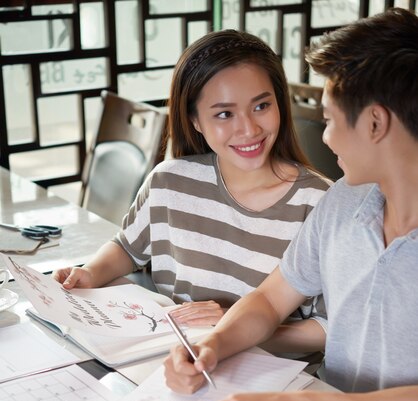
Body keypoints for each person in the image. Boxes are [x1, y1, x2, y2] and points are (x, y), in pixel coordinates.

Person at [164, 8, 418, 401]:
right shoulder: (344, 201)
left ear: (375, 123)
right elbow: (269, 298)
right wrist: (215, 345)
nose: (325, 138)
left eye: (331, 119)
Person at [53, 29, 329, 355]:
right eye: (224, 114)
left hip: (272, 382)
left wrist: (232, 330)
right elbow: (128, 247)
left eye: (261, 106)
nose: (249, 129)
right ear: (195, 120)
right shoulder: (171, 183)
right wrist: (90, 273)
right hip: (172, 361)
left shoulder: (320, 205)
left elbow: (328, 328)